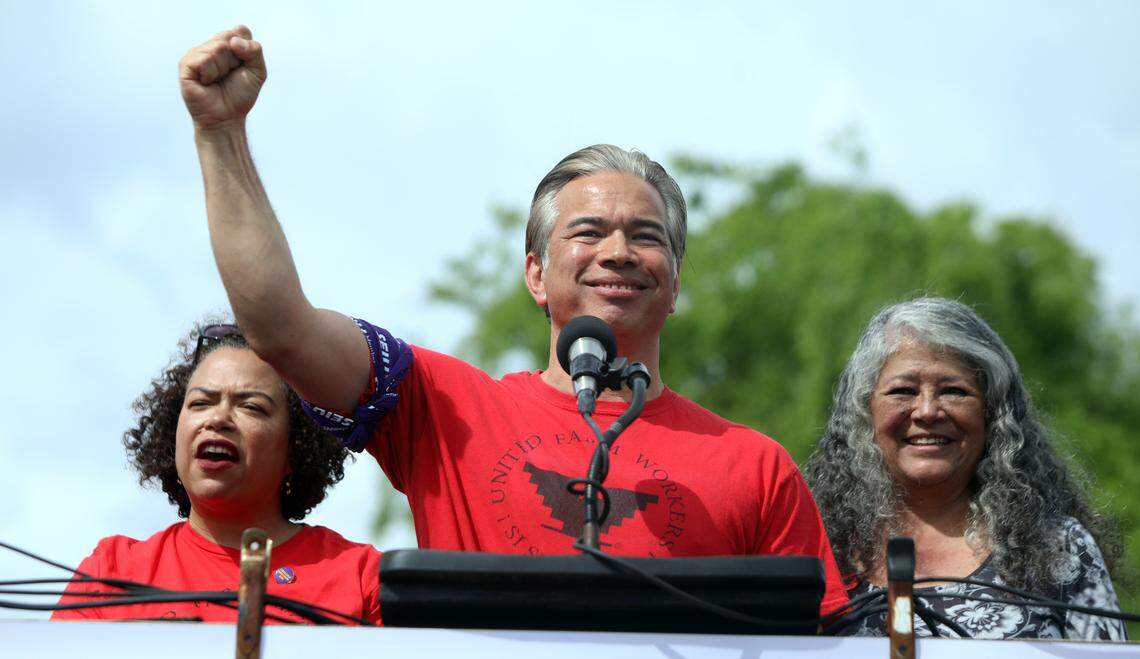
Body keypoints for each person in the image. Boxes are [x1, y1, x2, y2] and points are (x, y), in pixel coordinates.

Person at [178, 26, 848, 616]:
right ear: (535, 273)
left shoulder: (757, 467)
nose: (618, 251)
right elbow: (278, 327)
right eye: (588, 231)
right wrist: (221, 135)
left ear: (675, 281)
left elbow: (829, 642)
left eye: (646, 236)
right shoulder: (444, 409)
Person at [804, 297, 1126, 640]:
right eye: (903, 390)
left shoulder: (1059, 547)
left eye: (954, 391)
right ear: (865, 411)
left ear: (992, 413)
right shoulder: (812, 543)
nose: (927, 411)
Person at [53, 323, 381, 624]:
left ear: (296, 446)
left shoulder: (362, 577)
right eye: (200, 403)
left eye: (251, 406)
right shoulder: (110, 571)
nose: (217, 419)